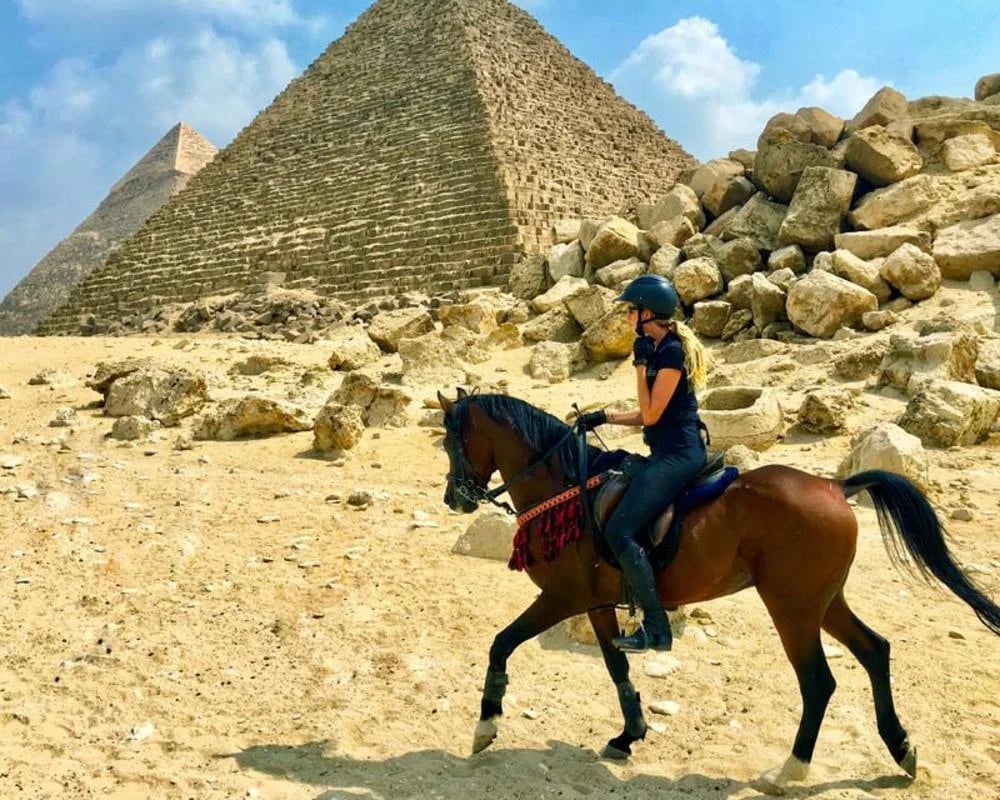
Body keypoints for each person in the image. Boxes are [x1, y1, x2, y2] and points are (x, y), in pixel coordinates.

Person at [576, 274, 709, 652]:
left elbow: (651, 415)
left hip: (680, 454)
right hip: (665, 450)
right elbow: (651, 413)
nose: (627, 316)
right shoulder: (659, 346)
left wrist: (638, 366)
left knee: (620, 530)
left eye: (631, 310)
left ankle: (656, 627)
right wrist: (604, 417)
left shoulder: (669, 352)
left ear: (647, 313)